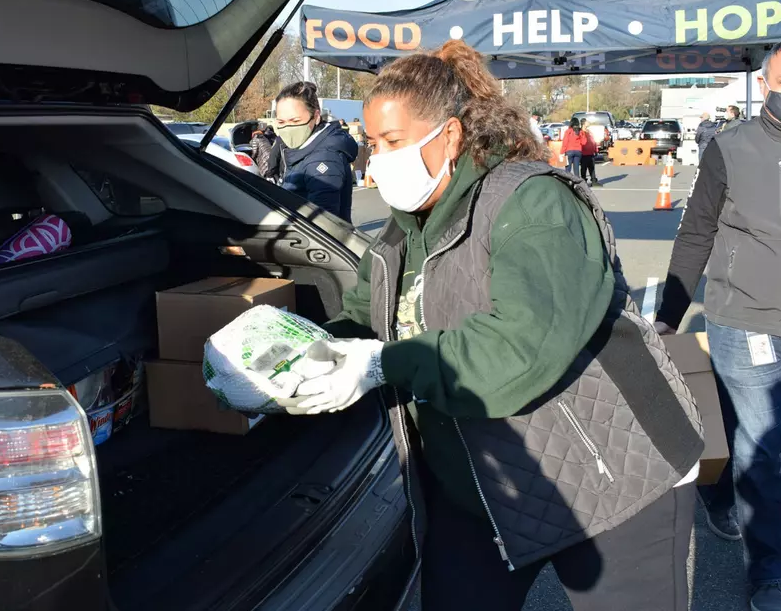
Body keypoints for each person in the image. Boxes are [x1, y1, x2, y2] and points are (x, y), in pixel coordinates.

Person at [279, 40, 704, 611]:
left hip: (610, 476)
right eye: (373, 144)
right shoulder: (404, 227)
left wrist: (383, 363)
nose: (375, 161)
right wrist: (297, 352)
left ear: (449, 135)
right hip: (481, 485)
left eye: (394, 142)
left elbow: (520, 349)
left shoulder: (534, 203)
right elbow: (366, 315)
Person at [654, 38, 781, 611]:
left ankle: (716, 489)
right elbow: (696, 233)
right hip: (742, 323)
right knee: (761, 452)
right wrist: (666, 319)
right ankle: (770, 575)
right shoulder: (729, 148)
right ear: (765, 86)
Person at [273, 82, 358, 222]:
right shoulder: (303, 150)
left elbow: (324, 224)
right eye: (281, 122)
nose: (288, 128)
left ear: (316, 116)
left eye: (295, 121)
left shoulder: (323, 159)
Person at [580, 118, 600, 186]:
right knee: (584, 168)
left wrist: (596, 150)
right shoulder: (581, 132)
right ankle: (583, 181)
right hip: (583, 153)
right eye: (587, 122)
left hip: (591, 152)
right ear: (583, 123)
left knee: (592, 168)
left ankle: (594, 180)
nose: (588, 123)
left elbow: (593, 141)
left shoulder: (589, 131)